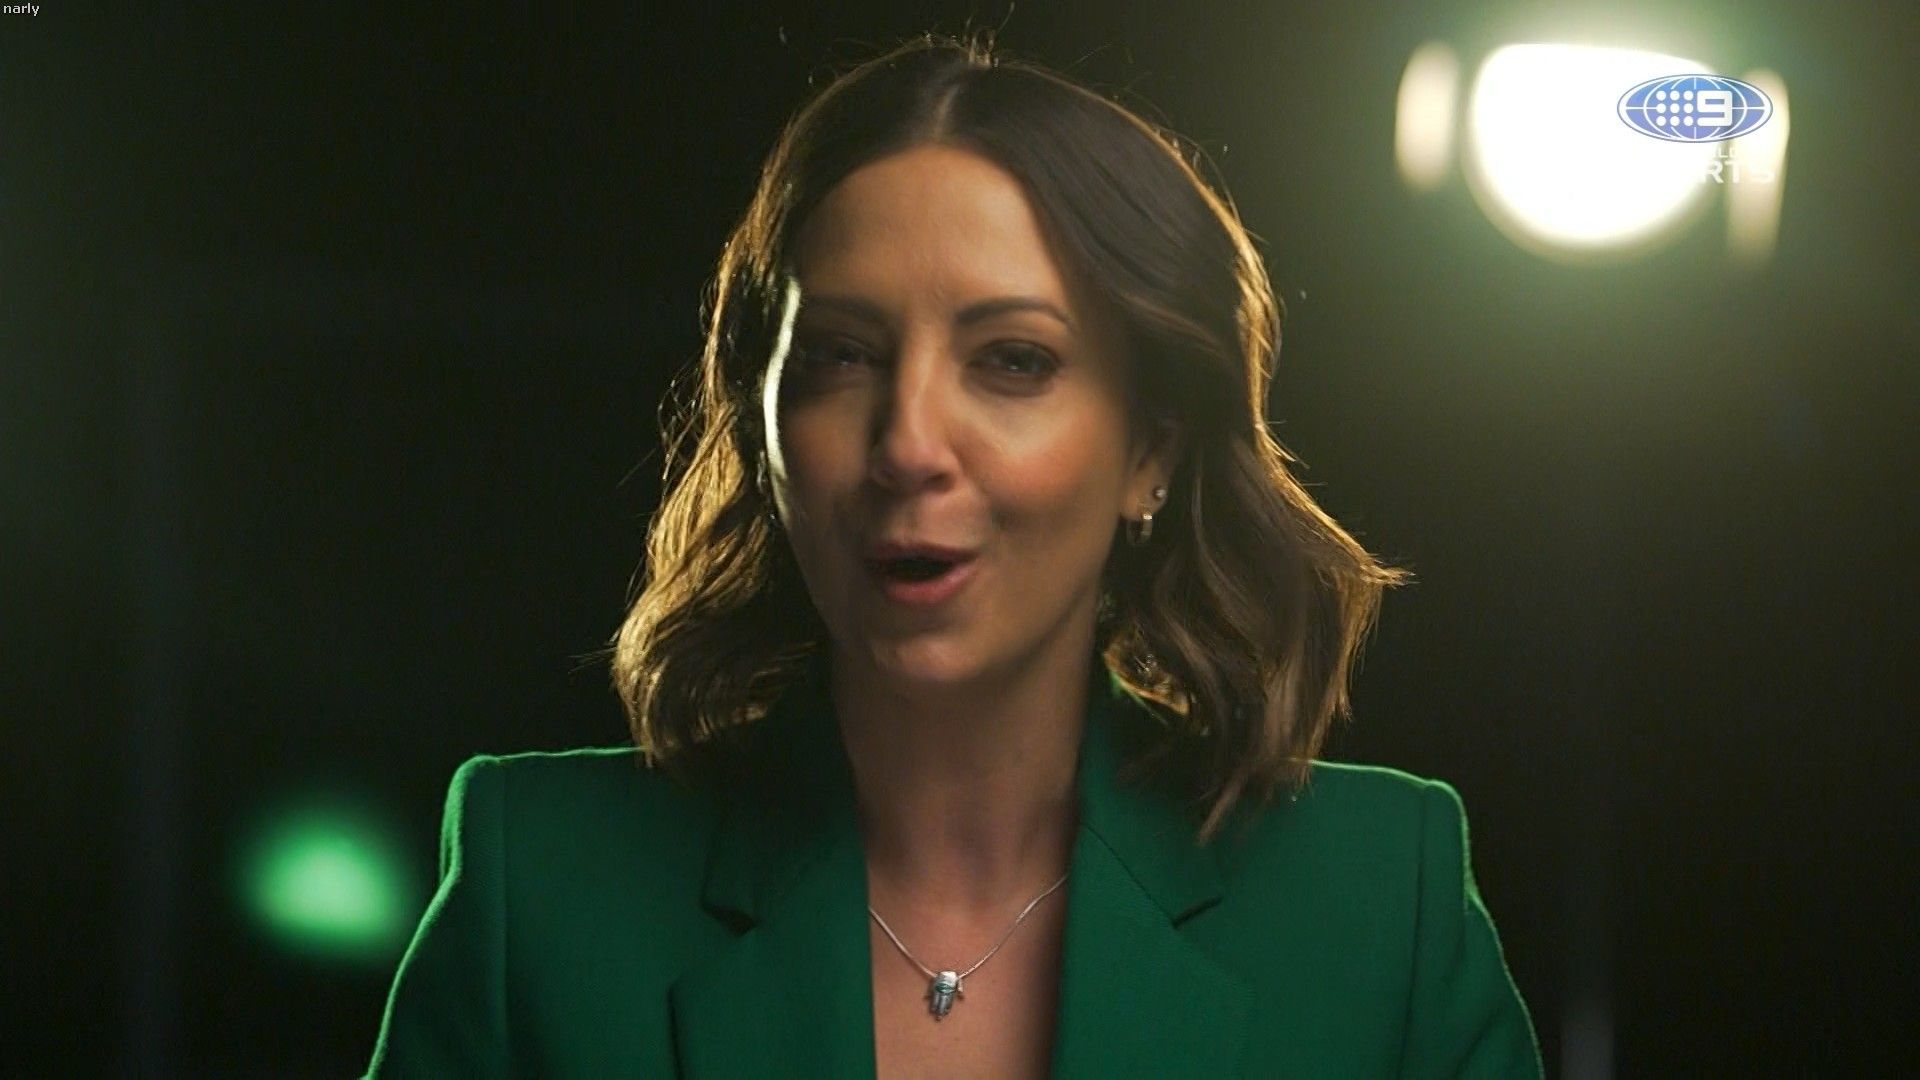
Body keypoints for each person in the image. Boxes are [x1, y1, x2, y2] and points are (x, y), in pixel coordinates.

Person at [365, 30, 1543, 1079]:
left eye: (1013, 361)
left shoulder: (1380, 904)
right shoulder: (545, 890)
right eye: (840, 354)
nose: (908, 446)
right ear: (764, 423)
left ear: (1150, 451)